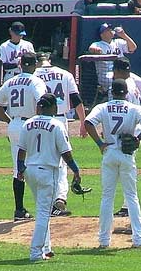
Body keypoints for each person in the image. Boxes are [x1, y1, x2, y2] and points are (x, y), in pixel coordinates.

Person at [84, 78, 141, 248]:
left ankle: (103, 240)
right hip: (127, 155)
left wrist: (100, 144)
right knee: (131, 197)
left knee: (107, 197)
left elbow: (88, 122)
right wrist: (138, 138)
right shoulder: (134, 108)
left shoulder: (102, 107)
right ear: (126, 93)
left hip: (109, 153)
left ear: (111, 92)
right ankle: (138, 239)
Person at [17, 93, 83, 261]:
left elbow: (21, 151)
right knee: (43, 213)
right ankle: (35, 253)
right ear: (52, 107)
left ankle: (46, 248)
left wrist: (19, 170)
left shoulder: (28, 123)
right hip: (47, 172)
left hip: (30, 171)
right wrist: (75, 170)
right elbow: (66, 153)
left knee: (41, 208)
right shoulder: (57, 125)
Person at [0, 52, 47, 222]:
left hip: (15, 124)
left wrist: (9, 121)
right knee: (40, 163)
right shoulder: (36, 81)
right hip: (30, 124)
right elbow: (42, 102)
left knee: (18, 167)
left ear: (21, 65)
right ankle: (46, 206)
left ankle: (19, 210)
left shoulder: (12, 81)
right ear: (35, 65)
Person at [33, 52, 88, 217]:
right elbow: (77, 100)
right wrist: (83, 123)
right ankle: (60, 198)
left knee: (40, 160)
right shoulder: (65, 74)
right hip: (60, 121)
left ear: (37, 62)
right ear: (49, 60)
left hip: (38, 121)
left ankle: (48, 201)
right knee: (62, 161)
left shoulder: (33, 75)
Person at [110, 57, 141, 217]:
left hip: (128, 131)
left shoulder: (125, 86)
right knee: (127, 166)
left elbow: (124, 112)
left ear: (117, 70)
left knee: (125, 168)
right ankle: (126, 205)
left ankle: (127, 206)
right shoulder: (134, 82)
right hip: (135, 128)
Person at [88, 23, 138, 104]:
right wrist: (95, 50)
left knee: (140, 82)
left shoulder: (118, 42)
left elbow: (133, 47)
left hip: (122, 72)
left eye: (111, 29)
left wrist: (124, 35)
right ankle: (113, 104)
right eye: (108, 30)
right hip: (106, 74)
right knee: (116, 83)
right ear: (102, 34)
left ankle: (135, 104)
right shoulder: (98, 44)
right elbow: (91, 49)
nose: (111, 31)